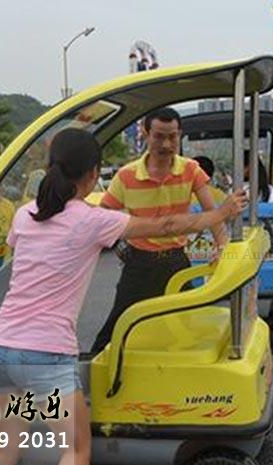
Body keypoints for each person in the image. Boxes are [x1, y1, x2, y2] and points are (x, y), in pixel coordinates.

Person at [0, 128, 246, 465]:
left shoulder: (24, 215)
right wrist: (221, 214)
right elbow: (166, 226)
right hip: (46, 352)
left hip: (1, 348)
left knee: (6, 448)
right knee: (75, 451)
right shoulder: (92, 220)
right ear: (94, 174)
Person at [91, 107, 229, 353]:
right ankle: (93, 368)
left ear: (180, 135)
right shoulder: (126, 176)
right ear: (145, 134)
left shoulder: (191, 170)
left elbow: (213, 213)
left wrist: (222, 247)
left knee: (186, 327)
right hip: (139, 263)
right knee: (116, 328)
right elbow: (103, 217)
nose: (166, 144)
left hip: (176, 261)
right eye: (159, 136)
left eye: (172, 137)